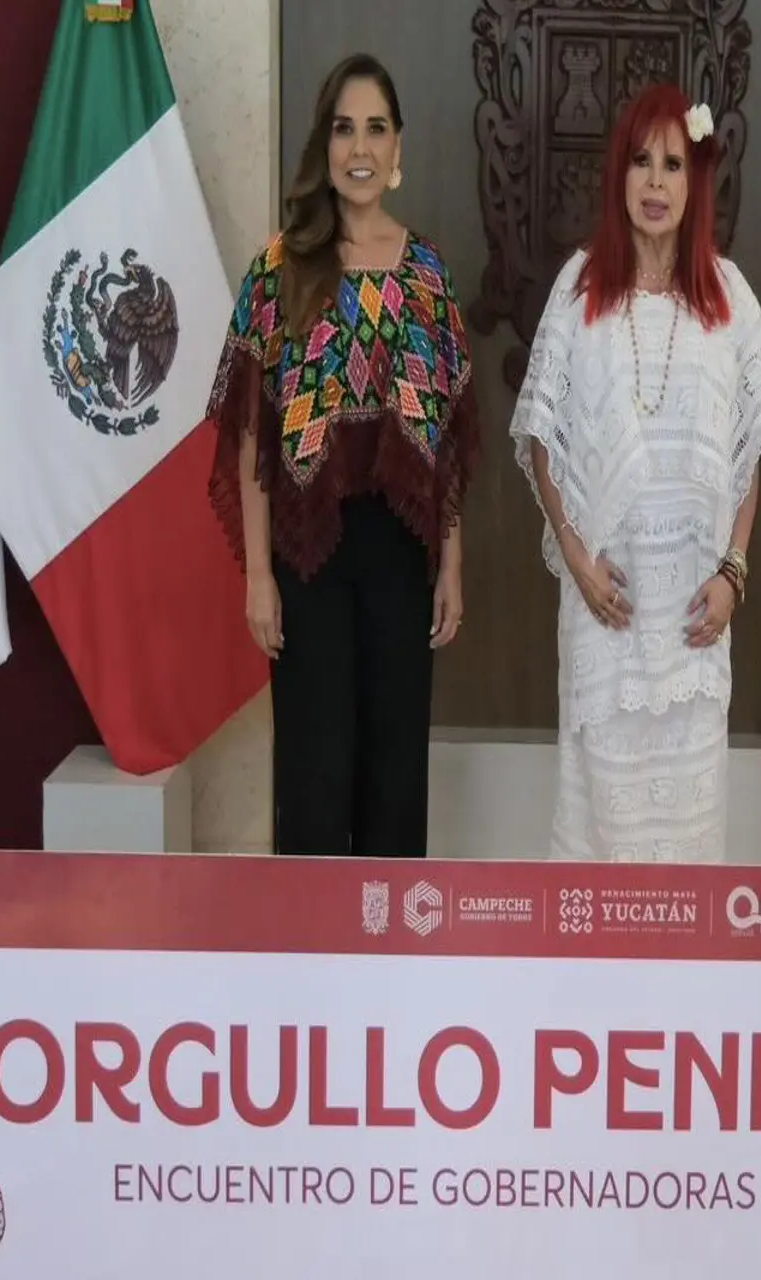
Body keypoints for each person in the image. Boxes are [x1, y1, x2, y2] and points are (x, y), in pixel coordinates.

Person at [206, 54, 480, 857]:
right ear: (324, 147)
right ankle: (310, 968)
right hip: (308, 555)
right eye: (343, 128)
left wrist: (452, 563)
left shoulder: (427, 276)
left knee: (395, 772)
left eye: (376, 128)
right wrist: (259, 574)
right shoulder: (280, 269)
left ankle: (392, 968)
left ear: (399, 151)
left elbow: (447, 439)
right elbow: (254, 434)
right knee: (315, 774)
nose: (359, 146)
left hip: (402, 551)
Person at [511, 83, 761, 864]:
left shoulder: (731, 297)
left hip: (695, 618)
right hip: (607, 608)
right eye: (641, 162)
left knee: (688, 848)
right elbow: (542, 435)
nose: (657, 182)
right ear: (618, 176)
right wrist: (572, 555)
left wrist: (735, 571)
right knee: (605, 836)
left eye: (674, 164)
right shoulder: (578, 289)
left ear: (697, 181)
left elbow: (748, 454)